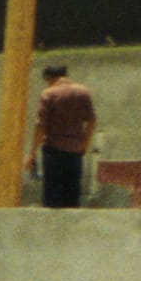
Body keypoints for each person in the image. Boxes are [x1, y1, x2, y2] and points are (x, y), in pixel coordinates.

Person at [26, 64, 97, 208]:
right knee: (72, 196)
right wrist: (85, 144)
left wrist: (32, 153)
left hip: (54, 150)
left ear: (49, 78)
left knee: (53, 198)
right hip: (75, 151)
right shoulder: (84, 93)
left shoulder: (49, 94)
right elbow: (91, 121)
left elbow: (41, 126)